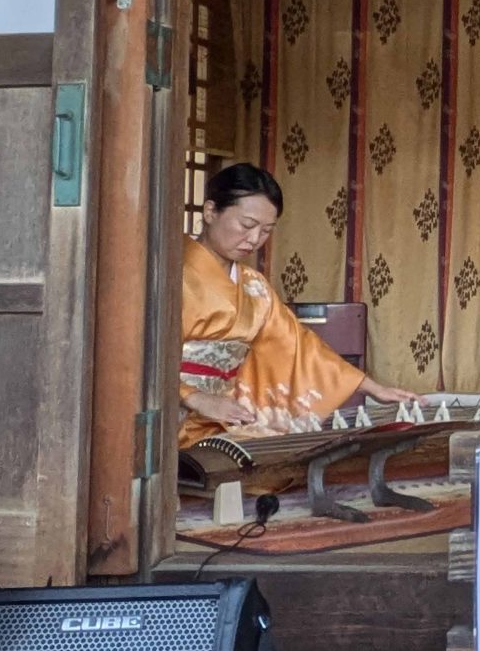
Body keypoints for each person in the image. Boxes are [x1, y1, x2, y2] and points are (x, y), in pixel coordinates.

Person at [179, 163, 420, 448]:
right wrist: (194, 397)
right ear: (210, 211)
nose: (254, 240)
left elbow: (297, 346)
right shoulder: (170, 278)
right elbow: (137, 357)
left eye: (266, 230)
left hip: (223, 418)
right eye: (247, 225)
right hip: (173, 418)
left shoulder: (254, 286)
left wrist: (373, 388)